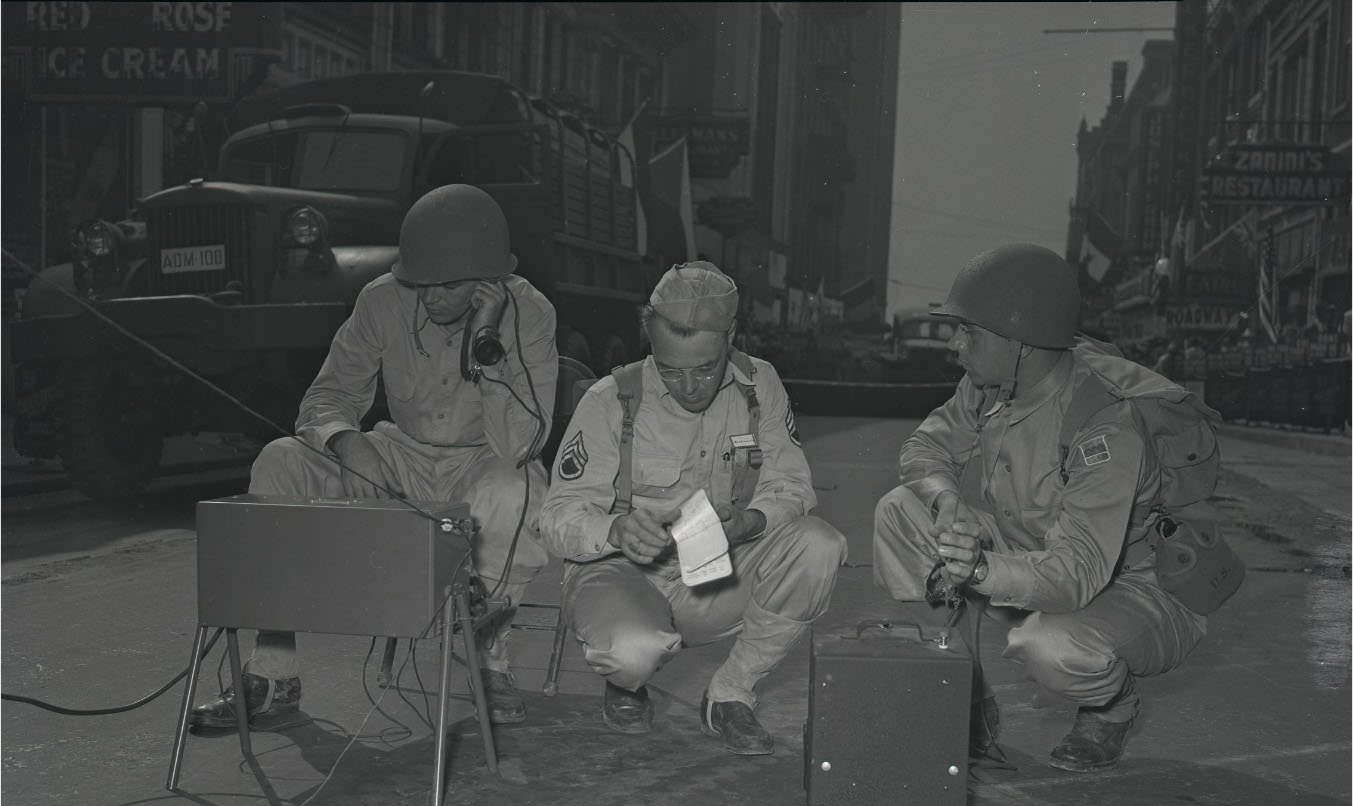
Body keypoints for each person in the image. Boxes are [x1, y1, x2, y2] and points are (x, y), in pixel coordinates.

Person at [191, 184, 558, 734]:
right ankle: (274, 674)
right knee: (279, 463)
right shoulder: (381, 298)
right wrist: (346, 441)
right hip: (400, 452)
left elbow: (521, 443)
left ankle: (488, 660)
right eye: (420, 282)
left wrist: (488, 341)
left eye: (450, 286)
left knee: (518, 486)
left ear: (489, 282)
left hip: (482, 459)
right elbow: (326, 396)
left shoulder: (529, 311)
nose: (430, 298)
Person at [872, 244, 1207, 772]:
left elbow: (1076, 574)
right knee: (900, 511)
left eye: (970, 332)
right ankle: (962, 684)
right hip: (1036, 554)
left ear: (1021, 344)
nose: (956, 344)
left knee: (1052, 649)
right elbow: (925, 448)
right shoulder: (989, 388)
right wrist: (946, 499)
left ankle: (1111, 710)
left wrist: (979, 567)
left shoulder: (1104, 426)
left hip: (1129, 587)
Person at [538, 261, 847, 755]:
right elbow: (554, 520)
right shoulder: (609, 400)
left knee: (819, 545)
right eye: (670, 370)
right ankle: (626, 678)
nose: (688, 387)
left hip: (711, 569)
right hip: (621, 571)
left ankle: (729, 693)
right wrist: (615, 529)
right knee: (633, 653)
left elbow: (792, 484)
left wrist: (753, 520)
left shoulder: (758, 385)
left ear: (731, 338)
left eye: (705, 368)